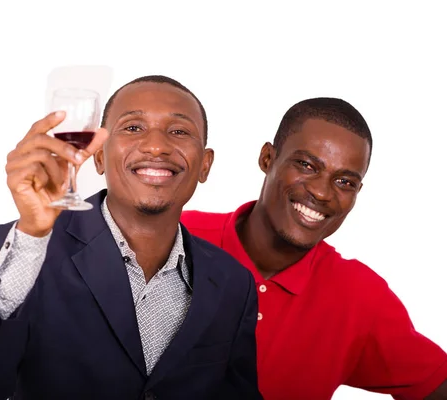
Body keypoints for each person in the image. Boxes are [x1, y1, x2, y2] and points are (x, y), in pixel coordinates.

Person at [0, 75, 262, 399]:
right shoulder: (25, 249)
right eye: (133, 127)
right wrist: (32, 233)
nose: (156, 145)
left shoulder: (233, 283)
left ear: (204, 165)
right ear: (100, 157)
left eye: (179, 131)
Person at [181, 97, 447, 400]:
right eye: (307, 165)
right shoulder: (177, 238)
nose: (322, 192)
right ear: (267, 158)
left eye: (344, 181)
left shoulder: (360, 297)